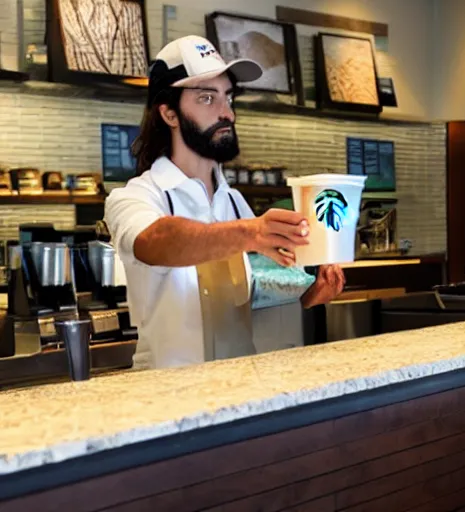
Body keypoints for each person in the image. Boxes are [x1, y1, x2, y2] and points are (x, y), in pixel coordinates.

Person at [105, 35, 345, 369]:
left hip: (238, 389)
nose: (226, 113)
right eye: (206, 98)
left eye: (227, 97)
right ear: (169, 114)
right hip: (168, 397)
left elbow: (250, 299)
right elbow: (156, 240)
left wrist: (309, 296)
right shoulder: (136, 196)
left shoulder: (233, 202)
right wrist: (251, 233)